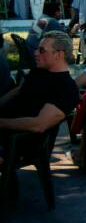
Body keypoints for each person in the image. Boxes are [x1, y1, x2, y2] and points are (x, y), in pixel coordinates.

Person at [0, 31, 79, 159]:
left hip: (19, 142)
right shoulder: (39, 72)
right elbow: (19, 90)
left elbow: (39, 124)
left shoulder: (66, 88)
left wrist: (1, 123)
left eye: (42, 50)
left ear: (59, 54)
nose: (36, 53)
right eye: (37, 49)